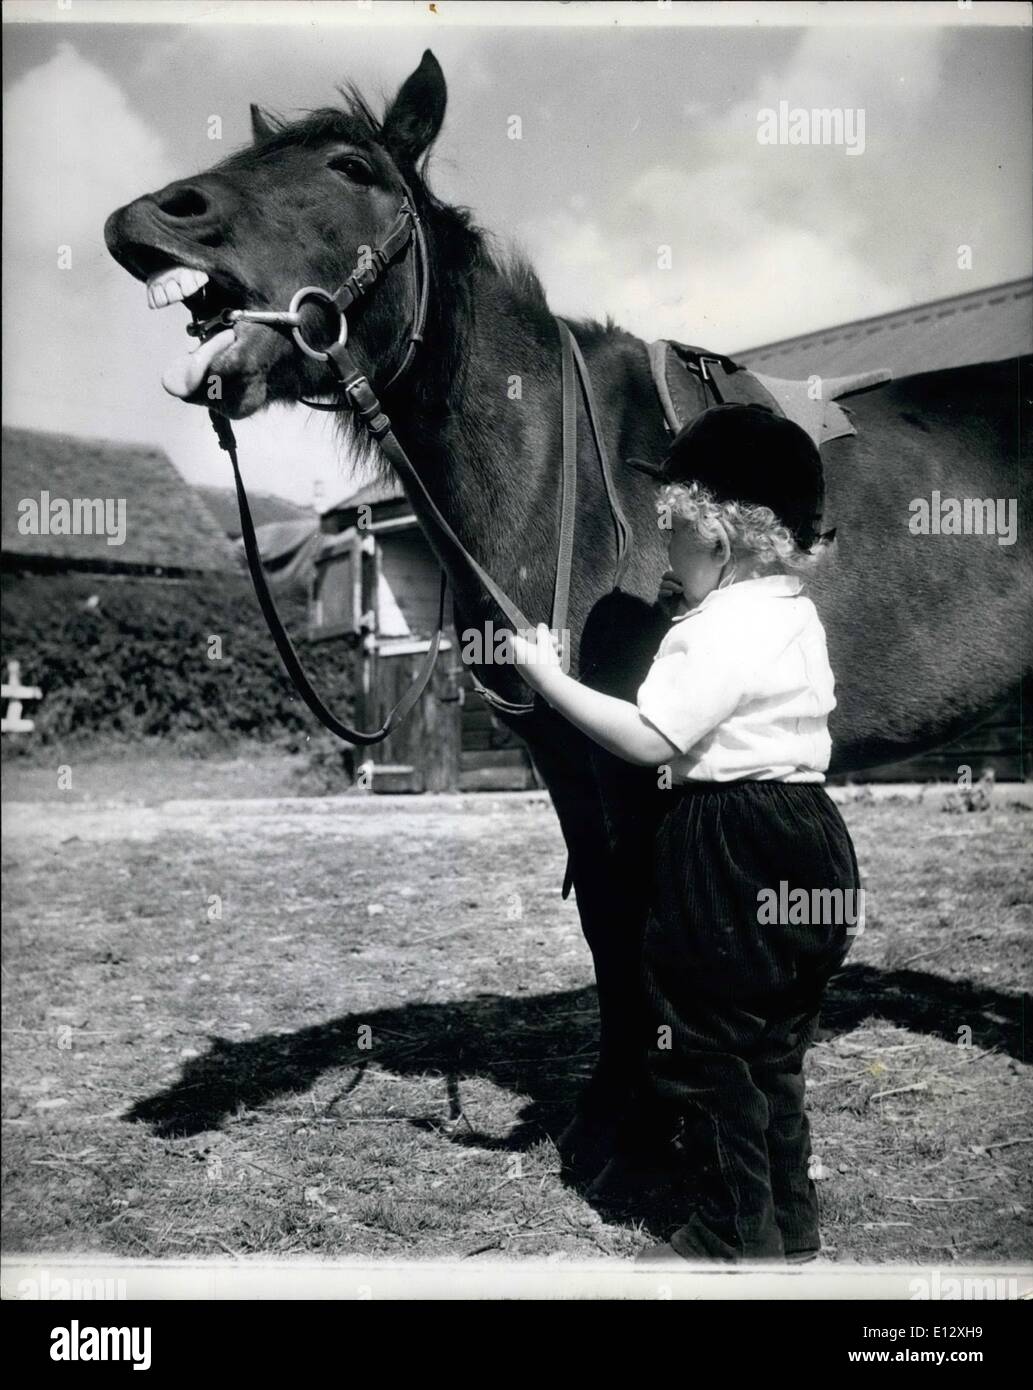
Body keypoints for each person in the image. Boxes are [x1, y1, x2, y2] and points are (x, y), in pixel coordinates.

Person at [510, 403, 861, 1264]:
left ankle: (728, 1234)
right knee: (773, 1046)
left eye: (669, 531)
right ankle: (786, 1222)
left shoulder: (714, 630)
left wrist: (546, 677)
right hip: (809, 837)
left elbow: (647, 738)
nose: (660, 549)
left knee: (703, 1048)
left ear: (714, 535)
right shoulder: (791, 612)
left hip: (727, 847)